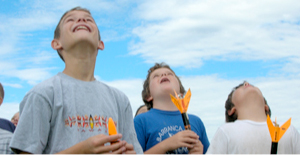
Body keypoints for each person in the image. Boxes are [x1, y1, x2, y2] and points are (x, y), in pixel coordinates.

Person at [9, 6, 142, 154]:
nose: (81, 19)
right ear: (56, 44)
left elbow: (133, 149)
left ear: (100, 44)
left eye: (89, 19)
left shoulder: (120, 99)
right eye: (70, 20)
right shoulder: (42, 94)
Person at [134, 62, 210, 154]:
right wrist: (166, 145)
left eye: (170, 74)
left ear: (181, 93)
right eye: (155, 76)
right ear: (148, 95)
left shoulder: (196, 121)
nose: (164, 74)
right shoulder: (140, 121)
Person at [206, 81, 300, 154]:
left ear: (265, 107)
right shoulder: (226, 131)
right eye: (241, 87)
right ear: (231, 110)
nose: (247, 84)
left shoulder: (289, 130)